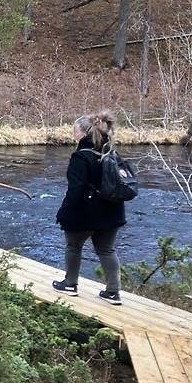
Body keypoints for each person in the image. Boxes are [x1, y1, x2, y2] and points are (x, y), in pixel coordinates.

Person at [52, 111, 126, 305]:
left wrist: (64, 213)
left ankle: (70, 284)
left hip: (86, 214)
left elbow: (75, 190)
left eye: (74, 131)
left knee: (73, 246)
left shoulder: (81, 157)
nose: (72, 135)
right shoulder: (111, 152)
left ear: (83, 133)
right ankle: (113, 292)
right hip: (112, 212)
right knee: (107, 250)